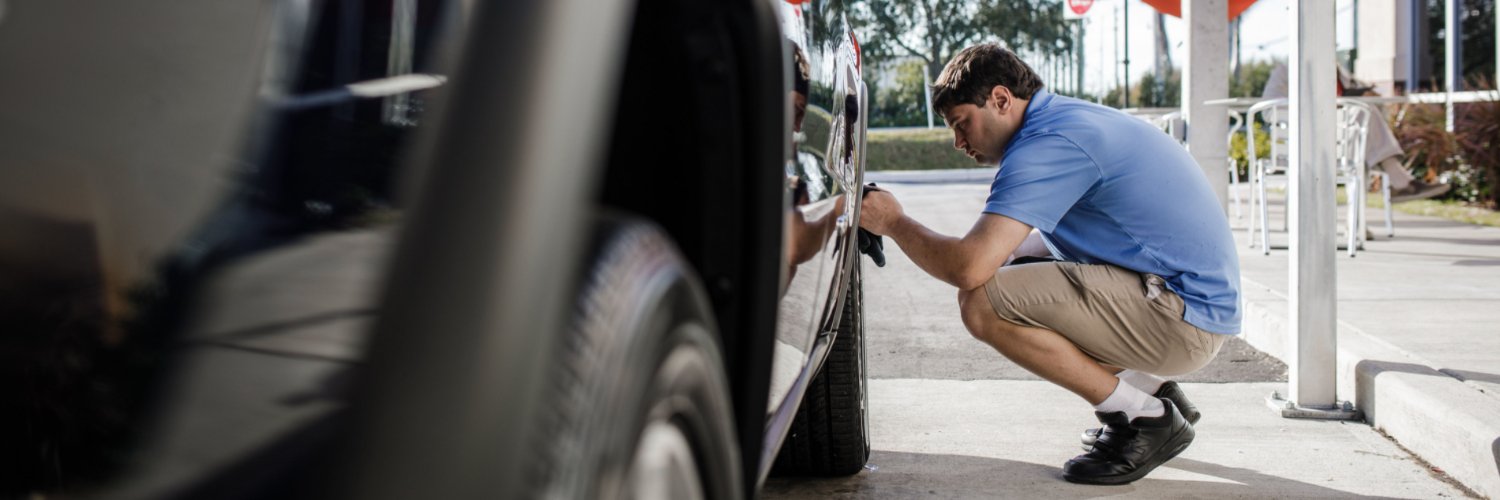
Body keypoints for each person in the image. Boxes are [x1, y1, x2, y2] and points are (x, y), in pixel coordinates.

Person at [857, 43, 1240, 485]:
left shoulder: (1046, 144)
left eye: (962, 124)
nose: (958, 143)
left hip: (1184, 321)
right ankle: (1149, 391)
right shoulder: (1066, 120)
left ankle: (1144, 418)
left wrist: (895, 222)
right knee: (1014, 269)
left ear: (1001, 99)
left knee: (983, 300)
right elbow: (1025, 246)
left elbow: (968, 267)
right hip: (1189, 304)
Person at [1262, 62, 1450, 202]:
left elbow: (1369, 99)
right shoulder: (1286, 71)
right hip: (1305, 147)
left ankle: (1362, 221)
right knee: (1362, 133)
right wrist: (1316, 106)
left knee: (1363, 126)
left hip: (1344, 144)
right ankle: (1397, 183)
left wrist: (1367, 95)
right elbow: (1268, 110)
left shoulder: (1341, 74)